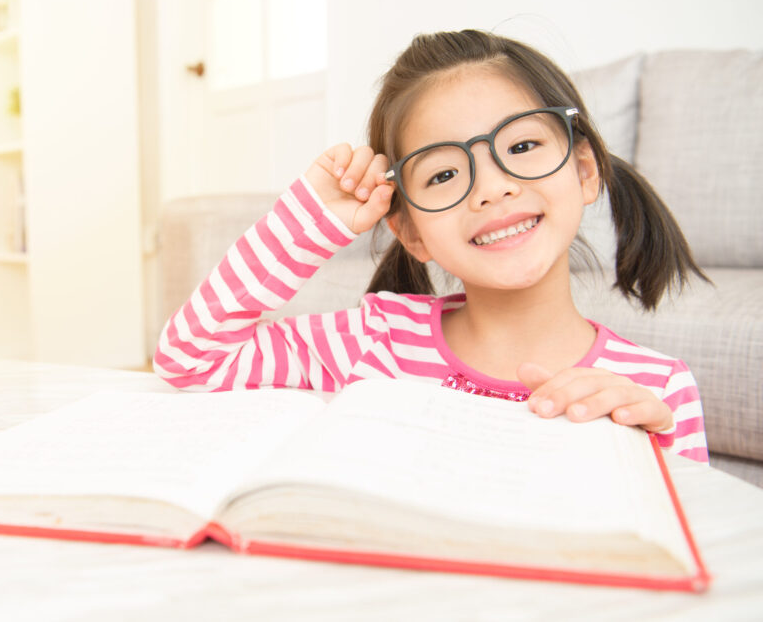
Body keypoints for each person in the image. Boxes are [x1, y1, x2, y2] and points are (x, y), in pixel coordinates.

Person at [154, 29, 709, 462]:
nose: (492, 188)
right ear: (411, 231)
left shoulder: (657, 389)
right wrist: (312, 220)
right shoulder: (373, 342)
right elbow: (190, 359)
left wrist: (648, 455)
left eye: (521, 146)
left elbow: (692, 550)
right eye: (443, 174)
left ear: (585, 171)